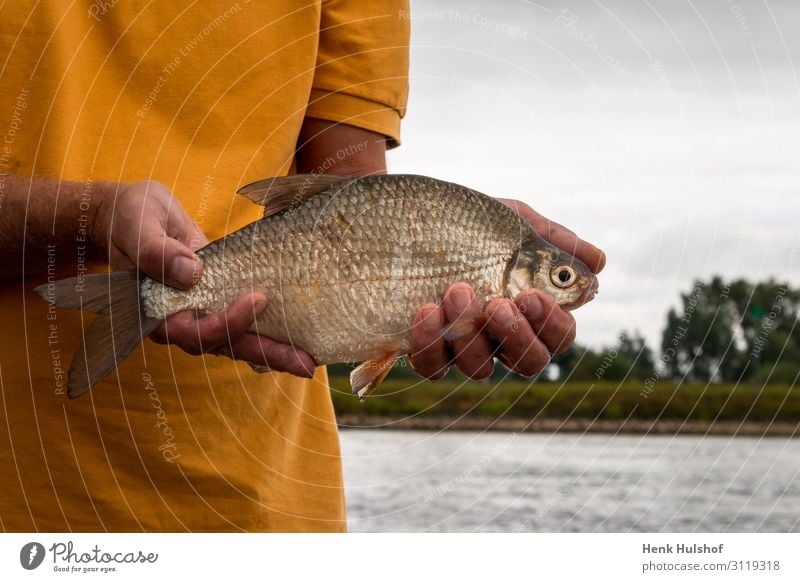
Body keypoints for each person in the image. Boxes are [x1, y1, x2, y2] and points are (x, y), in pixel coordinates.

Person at [0, 1, 604, 532]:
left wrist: (416, 281)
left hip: (265, 510)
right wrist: (88, 217)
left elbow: (350, 190)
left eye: (561, 279)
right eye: (559, 277)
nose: (568, 286)